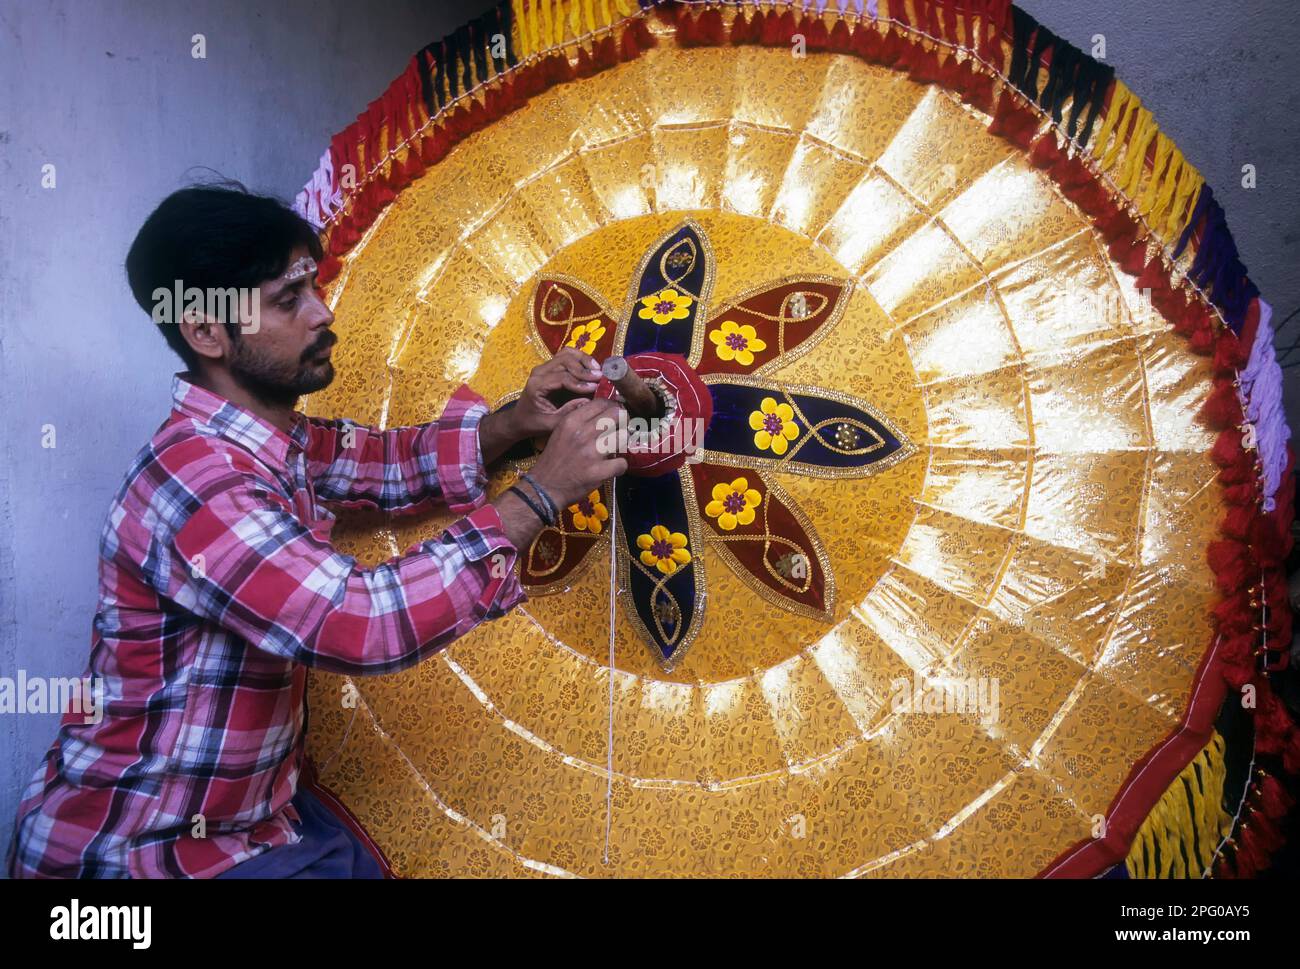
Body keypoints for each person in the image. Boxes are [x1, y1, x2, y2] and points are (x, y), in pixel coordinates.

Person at [8, 181, 627, 878]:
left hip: (253, 829)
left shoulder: (275, 442)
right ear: (207, 330)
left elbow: (388, 463)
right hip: (137, 859)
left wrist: (517, 423)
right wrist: (542, 493)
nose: (323, 312)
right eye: (287, 299)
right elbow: (362, 621)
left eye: (313, 285)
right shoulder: (197, 483)